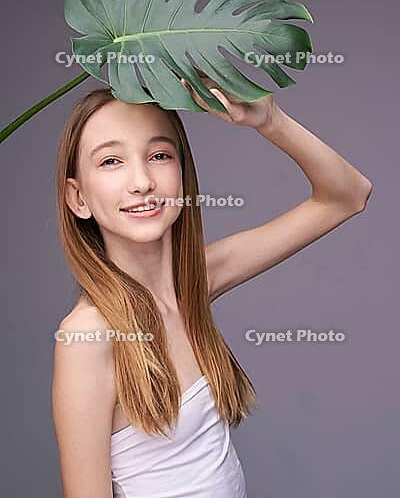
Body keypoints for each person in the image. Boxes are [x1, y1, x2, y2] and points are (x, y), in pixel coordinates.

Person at [51, 73, 372, 498]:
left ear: (183, 173)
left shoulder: (195, 284)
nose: (142, 182)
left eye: (160, 155)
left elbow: (347, 195)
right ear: (78, 198)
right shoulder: (87, 337)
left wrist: (269, 118)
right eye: (111, 161)